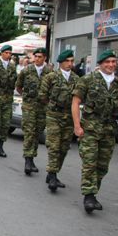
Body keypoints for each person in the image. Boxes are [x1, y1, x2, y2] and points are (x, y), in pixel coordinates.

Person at [72, 49, 118, 213]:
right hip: (90, 128)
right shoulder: (88, 80)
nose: (111, 65)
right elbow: (75, 102)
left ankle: (93, 193)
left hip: (109, 130)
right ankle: (88, 196)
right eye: (107, 62)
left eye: (113, 62)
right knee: (90, 162)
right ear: (100, 64)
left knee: (102, 166)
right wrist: (77, 126)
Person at [39, 49, 78, 192]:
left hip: (68, 117)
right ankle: (53, 175)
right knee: (54, 146)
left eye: (72, 61)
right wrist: (51, 107)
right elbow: (42, 95)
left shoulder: (76, 79)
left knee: (64, 147)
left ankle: (52, 173)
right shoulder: (51, 77)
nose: (70, 64)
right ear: (61, 62)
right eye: (67, 61)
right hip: (54, 115)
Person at [15, 47, 52, 176]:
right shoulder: (26, 71)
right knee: (29, 132)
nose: (37, 59)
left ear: (45, 58)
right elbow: (19, 86)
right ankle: (28, 160)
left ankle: (32, 158)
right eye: (35, 56)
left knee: (37, 133)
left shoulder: (50, 72)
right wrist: (26, 97)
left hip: (42, 108)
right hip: (29, 107)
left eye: (40, 57)